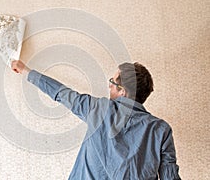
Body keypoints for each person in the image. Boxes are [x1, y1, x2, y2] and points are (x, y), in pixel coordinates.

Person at [11, 60, 181, 180]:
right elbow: (170, 176)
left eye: (112, 82)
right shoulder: (161, 130)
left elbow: (62, 93)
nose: (109, 85)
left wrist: (26, 70)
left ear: (122, 91)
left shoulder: (98, 108)